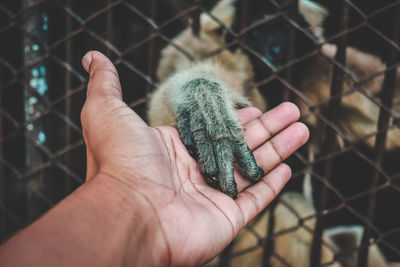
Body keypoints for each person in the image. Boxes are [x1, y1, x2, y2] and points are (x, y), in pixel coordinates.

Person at [0, 51, 309, 267]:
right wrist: (197, 88)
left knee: (299, 223)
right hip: (215, 212)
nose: (275, 47)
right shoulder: (206, 35)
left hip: (255, 219)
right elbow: (174, 81)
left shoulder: (317, 65)